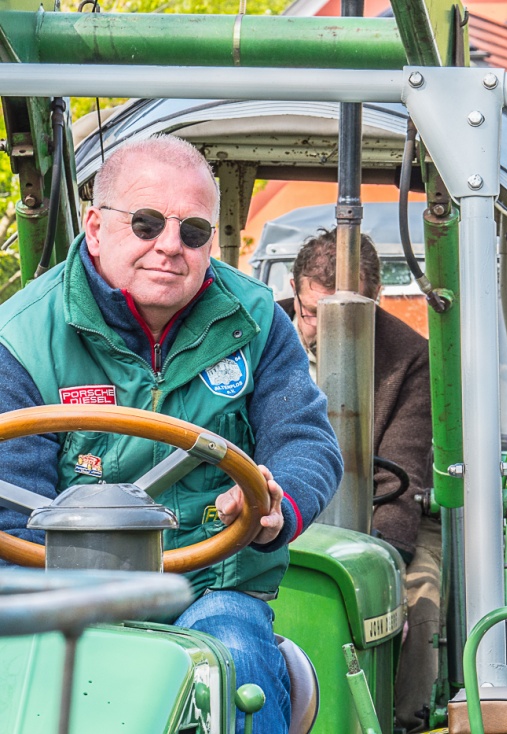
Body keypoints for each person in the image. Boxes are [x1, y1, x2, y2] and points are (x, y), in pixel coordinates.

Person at [0, 135, 342, 734]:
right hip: (66, 595)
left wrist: (273, 500)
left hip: (212, 585)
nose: (169, 247)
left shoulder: (256, 321)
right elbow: (10, 512)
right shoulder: (23, 339)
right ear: (96, 226)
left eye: (192, 232)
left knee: (237, 664)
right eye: (147, 222)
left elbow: (304, 438)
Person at [287, 229, 438, 732]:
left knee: (421, 599)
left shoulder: (409, 358)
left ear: (374, 302)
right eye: (312, 314)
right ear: (294, 290)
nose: (321, 331)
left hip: (377, 518)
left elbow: (403, 471)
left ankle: (402, 718)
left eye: (345, 318)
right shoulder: (257, 336)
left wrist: (381, 567)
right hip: (274, 510)